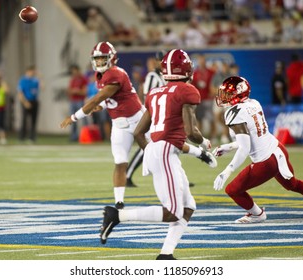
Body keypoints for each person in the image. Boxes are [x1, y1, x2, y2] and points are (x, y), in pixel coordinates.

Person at [100, 49, 217, 260]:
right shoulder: (187, 90)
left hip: (157, 149)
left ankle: (166, 254)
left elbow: (138, 132)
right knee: (173, 211)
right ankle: (117, 215)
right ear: (188, 69)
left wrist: (153, 151)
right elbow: (191, 131)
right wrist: (204, 143)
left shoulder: (154, 93)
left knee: (188, 207)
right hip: (164, 152)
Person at [212, 76, 303, 223]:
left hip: (266, 162)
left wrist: (227, 171)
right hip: (278, 150)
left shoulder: (234, 113)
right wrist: (228, 147)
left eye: (228, 93)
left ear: (239, 93)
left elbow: (245, 147)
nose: (224, 97)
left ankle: (256, 214)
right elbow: (252, 137)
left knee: (232, 190)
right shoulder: (254, 103)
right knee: (293, 185)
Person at [60, 41, 145, 210]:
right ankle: (119, 203)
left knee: (158, 157)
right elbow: (111, 98)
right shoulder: (100, 76)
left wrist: (74, 117)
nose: (99, 62)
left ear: (111, 58)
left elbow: (97, 98)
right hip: (120, 125)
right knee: (120, 162)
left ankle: (195, 154)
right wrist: (104, 105)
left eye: (102, 59)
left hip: (139, 121)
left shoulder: (116, 73)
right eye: (97, 59)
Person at [126, 51, 166, 188]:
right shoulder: (152, 76)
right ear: (156, 61)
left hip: (161, 116)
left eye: (164, 59)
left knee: (168, 145)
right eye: (160, 60)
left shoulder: (164, 76)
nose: (162, 62)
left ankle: (172, 176)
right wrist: (152, 116)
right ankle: (127, 175)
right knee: (146, 147)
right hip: (152, 115)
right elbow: (147, 96)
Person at [17, 65, 40, 143]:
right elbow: (20, 93)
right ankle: (22, 137)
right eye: (32, 71)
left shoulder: (35, 80)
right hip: (26, 101)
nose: (33, 73)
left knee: (34, 120)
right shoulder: (23, 80)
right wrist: (25, 102)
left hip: (34, 101)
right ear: (28, 71)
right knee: (24, 120)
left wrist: (41, 77)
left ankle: (32, 137)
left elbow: (43, 87)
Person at [67, 64, 88, 142]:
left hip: (80, 101)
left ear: (78, 71)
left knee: (84, 119)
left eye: (75, 71)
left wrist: (77, 91)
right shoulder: (73, 80)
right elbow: (69, 91)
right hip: (73, 101)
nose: (74, 73)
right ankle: (73, 137)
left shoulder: (83, 79)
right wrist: (73, 91)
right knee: (72, 119)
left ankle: (86, 136)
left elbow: (84, 91)